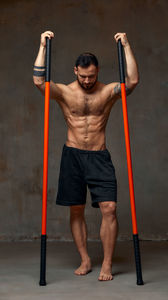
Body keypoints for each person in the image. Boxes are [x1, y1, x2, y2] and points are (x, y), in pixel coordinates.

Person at [33, 31, 139, 281]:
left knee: (110, 209)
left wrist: (126, 45)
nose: (88, 81)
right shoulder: (65, 92)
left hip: (99, 157)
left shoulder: (106, 92)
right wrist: (42, 47)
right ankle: (85, 258)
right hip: (72, 156)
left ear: (97, 72)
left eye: (92, 76)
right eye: (83, 76)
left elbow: (132, 81)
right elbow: (39, 82)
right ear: (75, 71)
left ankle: (107, 263)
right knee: (76, 210)